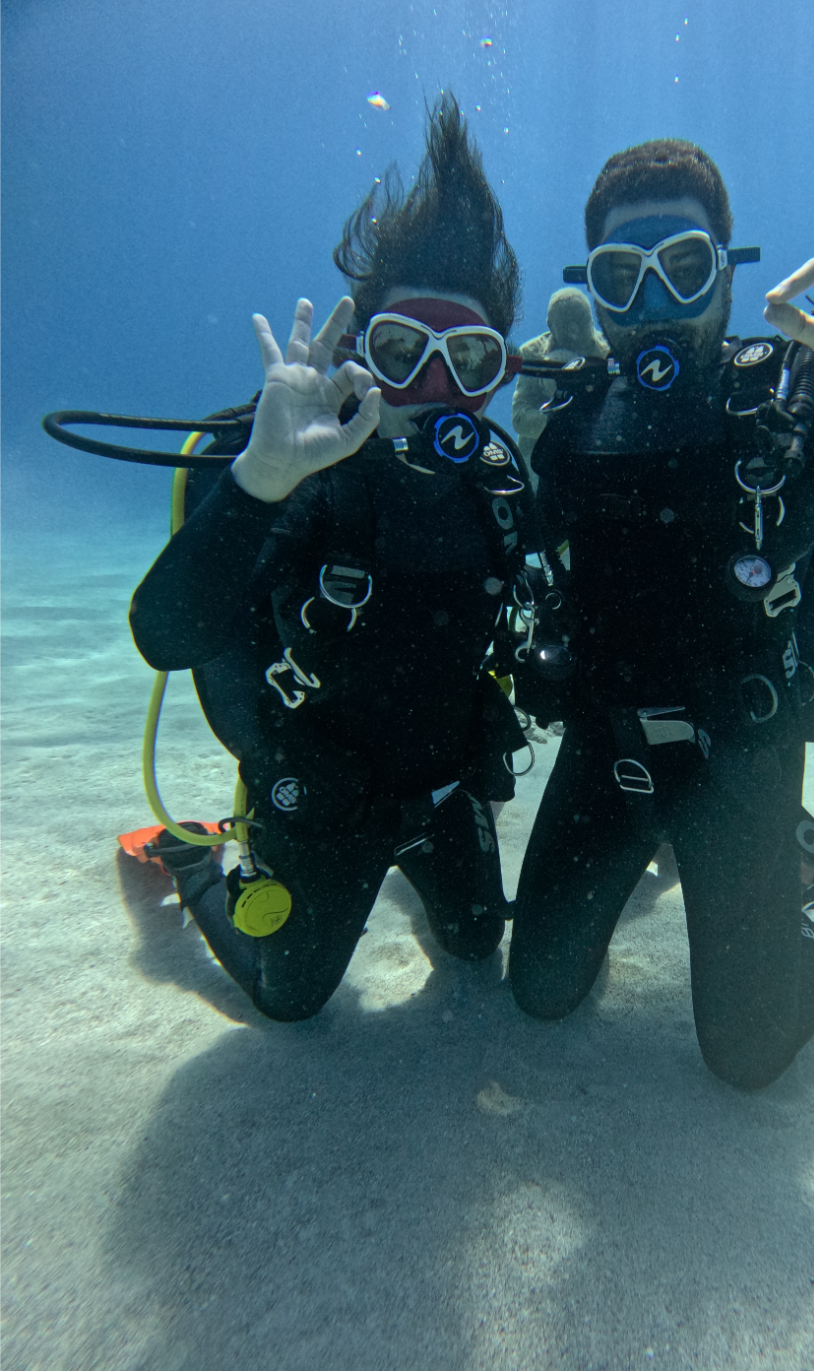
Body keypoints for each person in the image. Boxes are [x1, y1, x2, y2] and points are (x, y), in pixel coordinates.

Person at [506, 128, 814, 1089]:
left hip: (744, 756)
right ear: (594, 288)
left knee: (746, 1057)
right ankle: (662, 857)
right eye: (622, 276)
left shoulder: (802, 387)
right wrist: (529, 471)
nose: (653, 308)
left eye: (683, 267)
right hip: (609, 753)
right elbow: (524, 565)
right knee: (539, 990)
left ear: (728, 273)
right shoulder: (573, 415)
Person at [129, 96, 532, 1022]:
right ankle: (198, 857)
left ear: (498, 374)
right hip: (321, 793)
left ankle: (407, 865)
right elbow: (166, 634)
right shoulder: (300, 478)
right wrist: (261, 477)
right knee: (293, 1000)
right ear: (359, 356)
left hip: (438, 782)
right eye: (403, 352)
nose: (435, 390)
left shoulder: (503, 488)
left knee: (478, 940)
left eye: (466, 359)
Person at [510, 287, 608, 454]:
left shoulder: (608, 353)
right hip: (544, 455)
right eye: (567, 328)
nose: (574, 335)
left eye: (579, 326)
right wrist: (562, 422)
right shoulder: (531, 356)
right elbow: (519, 417)